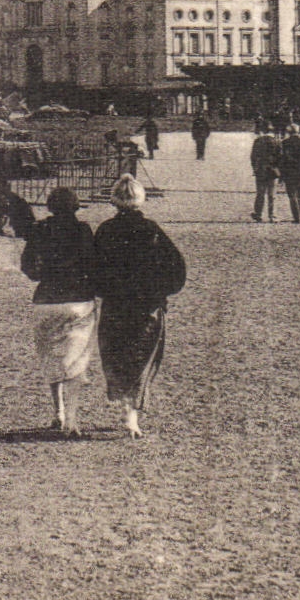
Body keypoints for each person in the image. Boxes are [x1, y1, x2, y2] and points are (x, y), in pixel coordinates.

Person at [90, 175, 186, 438]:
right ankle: (132, 414)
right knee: (143, 356)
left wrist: (104, 290)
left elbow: (93, 268)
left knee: (116, 353)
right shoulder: (151, 230)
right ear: (140, 199)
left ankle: (124, 404)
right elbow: (176, 268)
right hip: (147, 306)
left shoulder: (106, 230)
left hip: (115, 305)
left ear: (114, 200)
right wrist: (160, 291)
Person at [20, 187, 99, 436]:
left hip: (46, 300)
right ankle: (72, 420)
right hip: (78, 301)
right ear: (76, 206)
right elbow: (93, 264)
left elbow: (28, 267)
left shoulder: (40, 230)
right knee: (76, 360)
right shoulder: (83, 230)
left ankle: (58, 412)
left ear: (50, 207)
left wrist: (45, 274)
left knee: (52, 357)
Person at [249, 128, 282, 222]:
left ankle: (258, 214)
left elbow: (253, 156)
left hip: (261, 170)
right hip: (273, 170)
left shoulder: (258, 141)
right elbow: (280, 156)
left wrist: (255, 168)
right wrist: (278, 168)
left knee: (260, 193)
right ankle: (272, 215)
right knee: (272, 194)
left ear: (263, 131)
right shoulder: (277, 141)